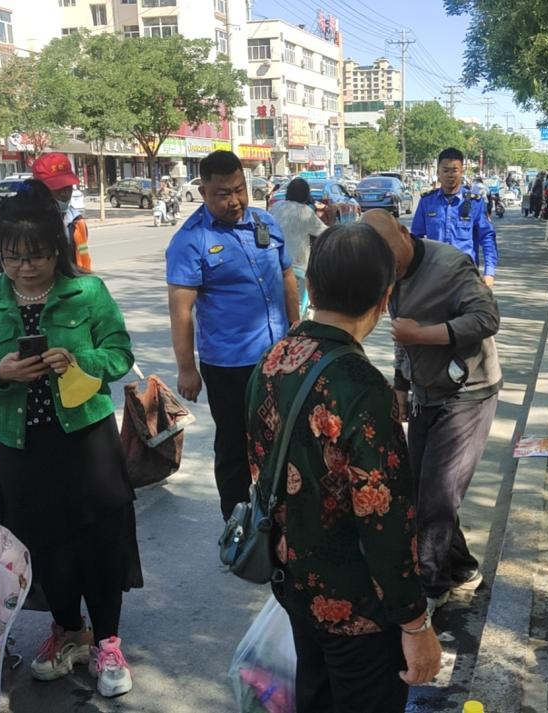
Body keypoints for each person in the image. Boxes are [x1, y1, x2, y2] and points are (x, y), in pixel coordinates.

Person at [0, 180, 140, 698]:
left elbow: (120, 354)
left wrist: (81, 360)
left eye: (35, 255)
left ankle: (107, 642)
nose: (24, 267)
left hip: (86, 441)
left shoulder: (88, 293)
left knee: (99, 545)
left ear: (57, 249)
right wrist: (0, 372)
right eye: (11, 257)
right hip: (22, 447)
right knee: (44, 548)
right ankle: (67, 631)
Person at [246, 221, 441, 712]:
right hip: (359, 609)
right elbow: (384, 518)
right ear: (385, 299)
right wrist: (415, 622)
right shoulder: (362, 387)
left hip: (294, 585)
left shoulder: (273, 360)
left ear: (311, 288)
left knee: (316, 696)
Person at [362, 209, 501, 616]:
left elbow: (487, 317)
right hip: (425, 393)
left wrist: (423, 335)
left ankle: (428, 586)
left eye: (388, 251)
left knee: (438, 495)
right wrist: (401, 388)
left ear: (404, 233)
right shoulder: (388, 276)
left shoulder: (450, 265)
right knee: (420, 490)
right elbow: (400, 340)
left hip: (468, 392)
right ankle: (462, 568)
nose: (385, 265)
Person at [166, 150, 300, 521]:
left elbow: (287, 277)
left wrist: (297, 330)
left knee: (284, 438)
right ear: (204, 192)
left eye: (240, 189)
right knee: (234, 448)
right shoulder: (191, 240)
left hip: (279, 356)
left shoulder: (265, 222)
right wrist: (186, 368)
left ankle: (280, 518)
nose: (235, 200)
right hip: (229, 365)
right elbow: (181, 309)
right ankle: (238, 526)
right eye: (223, 193)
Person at [411, 148, 499, 288]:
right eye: (445, 170)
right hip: (434, 275)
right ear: (438, 172)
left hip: (466, 276)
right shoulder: (427, 202)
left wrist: (489, 273)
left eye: (454, 170)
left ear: (462, 171)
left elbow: (487, 237)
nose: (450, 175)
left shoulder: (474, 203)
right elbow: (415, 240)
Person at [269, 177, 327, 320]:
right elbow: (325, 233)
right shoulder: (306, 211)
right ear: (305, 195)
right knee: (301, 305)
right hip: (298, 266)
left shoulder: (276, 207)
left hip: (275, 263)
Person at [31, 152, 92, 271]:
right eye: (57, 188)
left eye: (68, 186)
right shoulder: (24, 224)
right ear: (39, 189)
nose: (65, 193)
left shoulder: (77, 222)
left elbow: (82, 260)